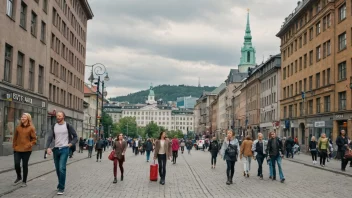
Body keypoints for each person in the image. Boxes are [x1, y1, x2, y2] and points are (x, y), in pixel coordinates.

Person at [45, 111, 78, 195]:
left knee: (62, 168)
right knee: (57, 169)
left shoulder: (68, 126)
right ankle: (60, 183)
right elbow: (50, 137)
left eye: (59, 116)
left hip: (65, 149)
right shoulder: (54, 126)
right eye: (57, 116)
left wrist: (70, 144)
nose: (58, 117)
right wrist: (48, 147)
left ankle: (61, 188)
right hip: (55, 149)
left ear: (63, 117)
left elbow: (75, 137)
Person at [12, 113, 37, 187]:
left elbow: (34, 139)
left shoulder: (31, 128)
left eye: (24, 117)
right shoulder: (18, 127)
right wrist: (14, 146)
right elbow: (15, 138)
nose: (22, 118)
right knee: (16, 164)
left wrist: (29, 145)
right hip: (17, 149)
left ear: (28, 119)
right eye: (22, 117)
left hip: (27, 150)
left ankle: (24, 181)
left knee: (24, 165)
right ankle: (19, 176)